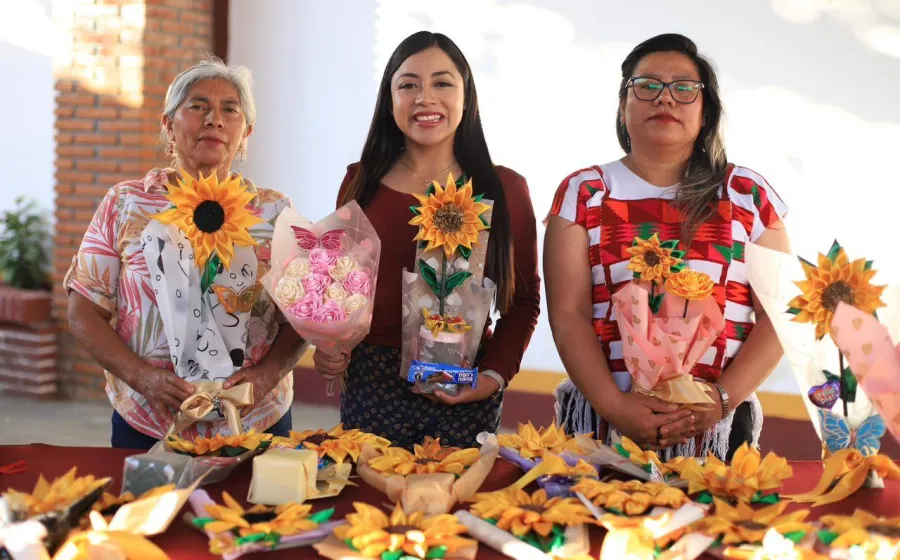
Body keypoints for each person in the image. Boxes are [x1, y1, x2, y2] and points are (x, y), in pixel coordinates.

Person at [545, 34, 790, 461]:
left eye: (683, 87)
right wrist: (615, 406)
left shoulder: (747, 194)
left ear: (706, 110)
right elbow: (569, 314)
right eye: (647, 86)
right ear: (623, 107)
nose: (665, 99)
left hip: (720, 429)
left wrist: (721, 401)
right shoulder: (586, 192)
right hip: (604, 427)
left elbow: (778, 318)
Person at [312, 31, 541, 448]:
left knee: (454, 506)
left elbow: (523, 301)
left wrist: (492, 377)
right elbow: (338, 289)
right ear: (389, 99)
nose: (425, 98)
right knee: (371, 505)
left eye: (442, 83)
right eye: (408, 85)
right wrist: (329, 347)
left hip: (465, 383)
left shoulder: (504, 187)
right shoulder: (359, 181)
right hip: (371, 385)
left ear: (467, 96)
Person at [66, 57, 305, 449]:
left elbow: (302, 316)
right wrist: (142, 377)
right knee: (147, 512)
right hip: (148, 420)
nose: (214, 119)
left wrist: (267, 375)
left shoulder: (274, 212)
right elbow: (83, 311)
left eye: (230, 109)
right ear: (168, 126)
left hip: (255, 421)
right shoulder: (127, 203)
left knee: (262, 513)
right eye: (198, 106)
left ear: (246, 132)